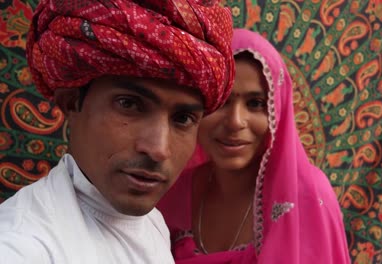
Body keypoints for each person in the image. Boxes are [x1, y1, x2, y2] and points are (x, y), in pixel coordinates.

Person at [0, 0, 235, 263]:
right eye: (129, 104)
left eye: (183, 118)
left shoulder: (153, 223)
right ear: (71, 103)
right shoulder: (20, 246)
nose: (158, 149)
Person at [157, 28, 351, 263]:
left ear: (277, 110)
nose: (235, 122)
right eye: (221, 102)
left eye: (256, 103)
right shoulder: (170, 190)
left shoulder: (308, 197)